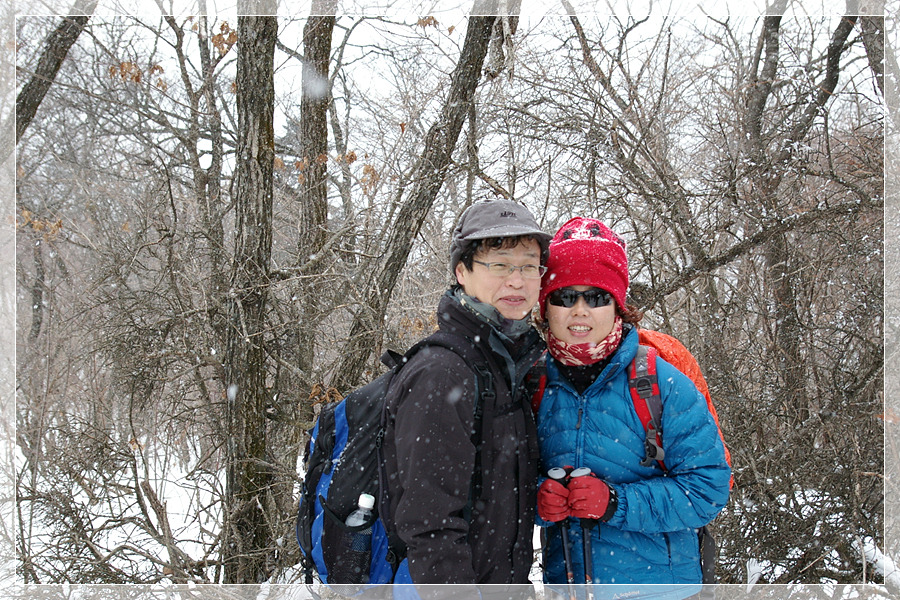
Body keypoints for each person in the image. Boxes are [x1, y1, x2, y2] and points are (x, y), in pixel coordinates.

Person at [534, 217, 731, 592]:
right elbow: (498, 485)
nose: (579, 310)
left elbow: (709, 488)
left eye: (595, 296)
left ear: (618, 306)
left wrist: (615, 503)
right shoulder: (534, 383)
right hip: (569, 587)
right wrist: (537, 500)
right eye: (564, 296)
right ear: (545, 307)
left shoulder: (662, 383)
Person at [380, 199, 551, 585]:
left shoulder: (509, 363)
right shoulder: (442, 374)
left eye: (528, 265)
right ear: (462, 272)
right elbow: (429, 525)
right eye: (500, 265)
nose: (516, 280)